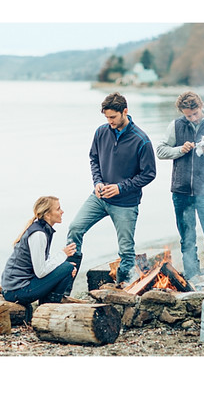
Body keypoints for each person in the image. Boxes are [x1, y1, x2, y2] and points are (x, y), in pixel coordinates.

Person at [66, 92, 156, 286]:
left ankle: (122, 288)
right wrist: (97, 182)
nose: (110, 121)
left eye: (113, 117)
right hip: (99, 198)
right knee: (75, 229)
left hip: (125, 203)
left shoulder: (142, 140)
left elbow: (149, 174)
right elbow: (94, 159)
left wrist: (120, 188)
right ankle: (65, 282)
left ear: (125, 111)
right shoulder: (101, 132)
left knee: (126, 251)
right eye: (106, 117)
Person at [156, 91, 204, 280]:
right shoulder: (176, 126)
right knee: (187, 239)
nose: (192, 118)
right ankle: (192, 276)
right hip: (181, 191)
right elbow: (160, 151)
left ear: (201, 106)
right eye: (188, 116)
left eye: (195, 114)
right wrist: (180, 149)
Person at [1, 196, 77, 321]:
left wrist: (63, 266)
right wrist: (63, 256)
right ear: (47, 215)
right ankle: (47, 313)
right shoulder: (38, 234)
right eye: (58, 209)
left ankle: (46, 308)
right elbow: (41, 271)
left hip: (16, 288)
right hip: (16, 291)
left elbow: (43, 263)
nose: (62, 211)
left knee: (67, 267)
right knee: (67, 267)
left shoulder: (42, 230)